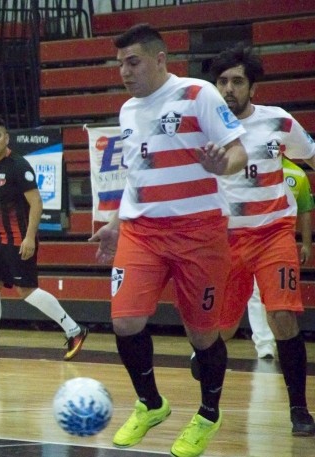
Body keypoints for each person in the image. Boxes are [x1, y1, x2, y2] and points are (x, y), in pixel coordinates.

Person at [89, 24, 248, 457]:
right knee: (124, 322)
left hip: (200, 231)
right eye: (119, 63)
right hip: (142, 232)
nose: (124, 71)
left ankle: (208, 414)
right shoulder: (127, 112)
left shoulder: (199, 94)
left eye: (133, 61)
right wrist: (117, 224)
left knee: (202, 334)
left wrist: (223, 165)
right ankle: (150, 403)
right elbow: (137, 175)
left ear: (161, 59)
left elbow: (238, 152)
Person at [209, 44, 315, 436]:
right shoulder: (203, 128)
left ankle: (300, 410)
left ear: (253, 88)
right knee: (220, 330)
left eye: (237, 81)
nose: (229, 88)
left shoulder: (279, 122)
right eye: (222, 81)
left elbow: (312, 156)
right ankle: (209, 403)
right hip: (224, 240)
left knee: (282, 318)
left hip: (274, 234)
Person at [0, 116, 87, 362]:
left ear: (6, 138)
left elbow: (37, 203)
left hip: (19, 239)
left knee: (26, 290)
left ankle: (75, 330)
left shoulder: (19, 165)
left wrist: (29, 238)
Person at [245, 157, 313, 359]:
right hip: (250, 240)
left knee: (280, 304)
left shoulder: (298, 174)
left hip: (281, 244)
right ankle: (264, 345)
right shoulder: (251, 168)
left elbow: (305, 210)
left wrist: (307, 244)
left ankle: (278, 342)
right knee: (256, 294)